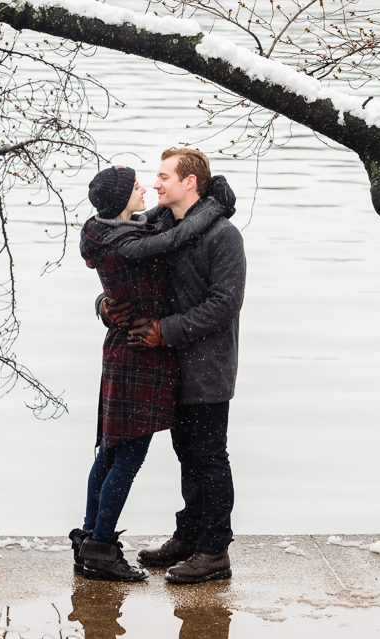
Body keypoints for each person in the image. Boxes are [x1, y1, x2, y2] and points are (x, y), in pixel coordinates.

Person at [71, 165, 227, 582]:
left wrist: (108, 302)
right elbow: (169, 238)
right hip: (141, 354)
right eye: (141, 184)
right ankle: (100, 545)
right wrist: (215, 207)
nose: (151, 187)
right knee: (126, 456)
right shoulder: (134, 241)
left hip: (158, 357)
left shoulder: (106, 230)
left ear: (189, 181)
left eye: (161, 177)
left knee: (117, 452)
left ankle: (92, 539)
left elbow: (223, 300)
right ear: (121, 200)